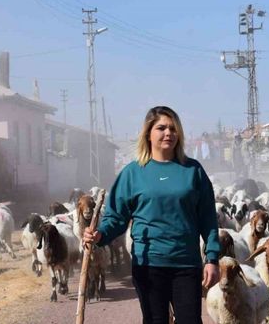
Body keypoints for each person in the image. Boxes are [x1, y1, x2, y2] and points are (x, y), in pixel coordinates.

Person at [83, 106, 220, 324]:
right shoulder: (133, 173)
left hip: (186, 264)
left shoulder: (193, 171)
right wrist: (100, 235)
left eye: (173, 129)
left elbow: (208, 219)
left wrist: (212, 258)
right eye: (162, 128)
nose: (169, 133)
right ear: (148, 133)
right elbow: (116, 217)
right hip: (149, 264)